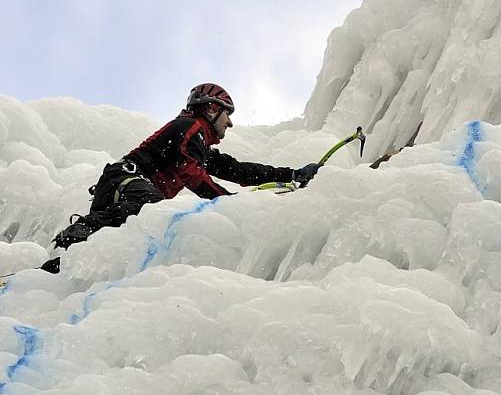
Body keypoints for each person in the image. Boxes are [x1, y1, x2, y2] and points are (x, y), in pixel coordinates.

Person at [41, 83, 320, 273]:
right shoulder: (190, 127)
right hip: (126, 180)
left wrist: (292, 175)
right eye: (227, 114)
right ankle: (78, 233)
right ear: (212, 109)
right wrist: (229, 205)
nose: (230, 123)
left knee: (113, 241)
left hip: (119, 191)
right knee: (152, 207)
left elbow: (241, 171)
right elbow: (191, 173)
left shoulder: (201, 147)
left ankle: (60, 265)